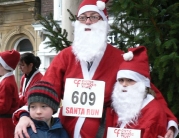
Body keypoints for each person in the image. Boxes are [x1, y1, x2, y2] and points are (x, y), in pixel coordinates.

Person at [14, 0, 178, 138]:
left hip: (103, 132)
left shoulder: (119, 58)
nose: (87, 22)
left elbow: (147, 92)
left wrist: (169, 123)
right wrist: (25, 114)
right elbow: (45, 87)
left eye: (94, 17)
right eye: (83, 17)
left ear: (104, 23)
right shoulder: (66, 56)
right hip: (64, 132)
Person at [104, 46, 169, 138]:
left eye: (130, 80)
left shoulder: (154, 110)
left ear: (142, 83)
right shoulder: (118, 106)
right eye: (121, 80)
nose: (124, 84)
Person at [0, 50, 20, 138]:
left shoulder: (6, 82)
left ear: (3, 66)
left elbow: (4, 106)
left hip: (5, 123)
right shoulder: (8, 80)